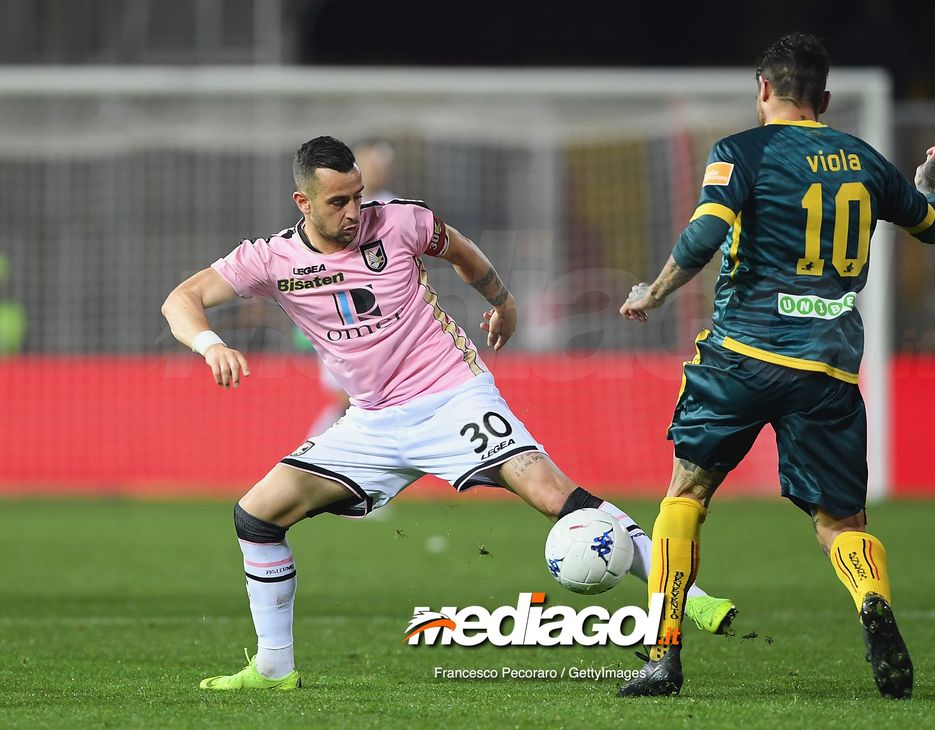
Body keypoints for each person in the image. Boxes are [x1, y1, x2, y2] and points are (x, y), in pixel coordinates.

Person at [161, 135, 736, 691]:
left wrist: (503, 302)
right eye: (338, 201)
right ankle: (272, 670)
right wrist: (210, 345)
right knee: (256, 518)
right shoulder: (271, 259)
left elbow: (459, 249)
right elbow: (180, 300)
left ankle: (692, 596)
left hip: (452, 393)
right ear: (303, 202)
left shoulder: (400, 221)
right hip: (372, 422)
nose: (355, 211)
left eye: (358, 195)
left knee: (554, 496)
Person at [616, 33, 935, 699]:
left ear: (763, 89)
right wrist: (926, 185)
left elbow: (707, 232)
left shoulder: (741, 151)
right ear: (824, 99)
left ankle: (664, 654)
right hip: (826, 371)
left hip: (741, 356)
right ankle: (870, 604)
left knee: (685, 495)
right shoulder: (864, 160)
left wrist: (653, 292)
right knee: (841, 526)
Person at [297, 139, 401, 437]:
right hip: (339, 312)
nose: (376, 171)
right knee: (345, 399)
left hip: (379, 314)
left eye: (383, 166)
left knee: (368, 401)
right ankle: (316, 457)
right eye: (370, 164)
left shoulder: (393, 209)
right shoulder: (329, 207)